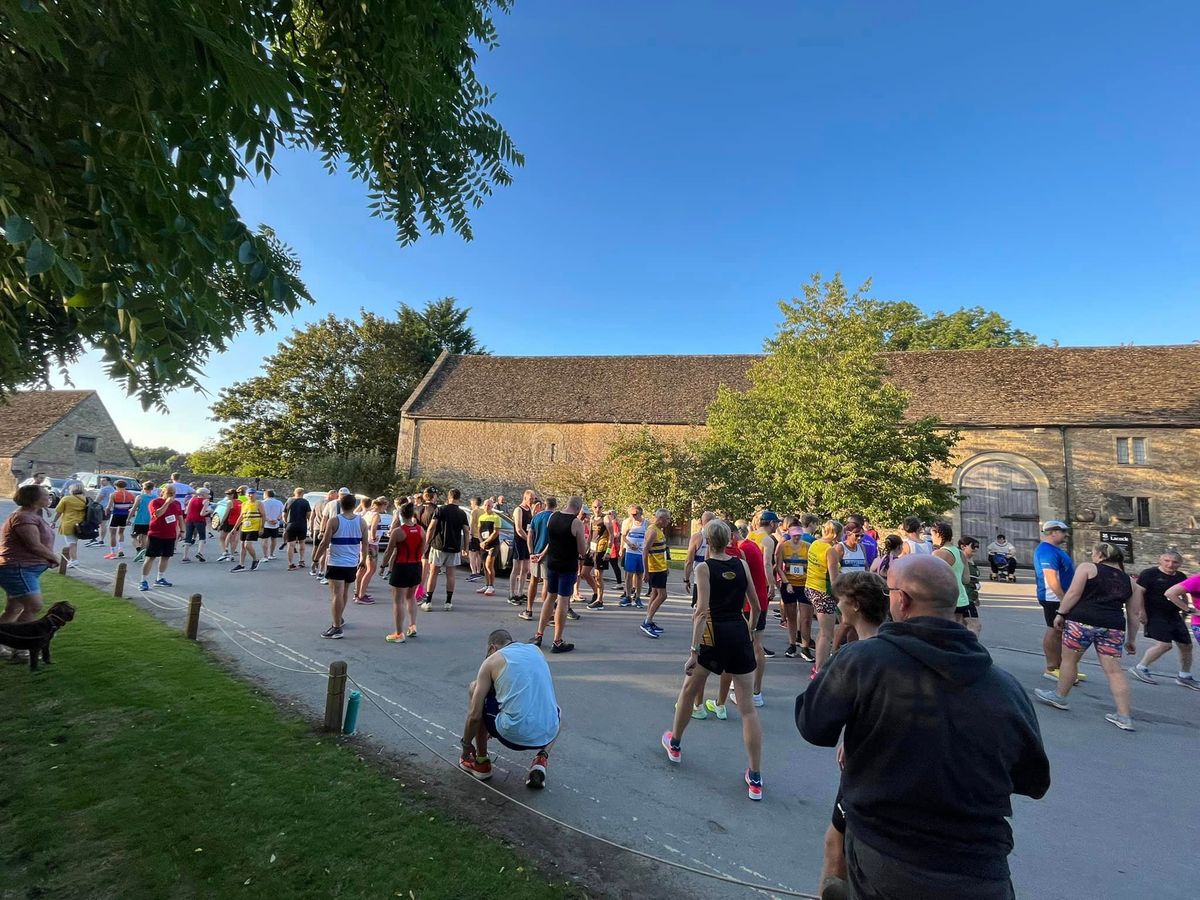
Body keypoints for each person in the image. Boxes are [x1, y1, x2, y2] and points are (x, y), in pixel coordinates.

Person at [796, 554, 1051, 900]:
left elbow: (813, 724)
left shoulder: (864, 660)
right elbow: (1032, 779)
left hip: (889, 855)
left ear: (901, 601)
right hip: (982, 868)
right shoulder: (1005, 687)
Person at [662, 518, 764, 800]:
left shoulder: (703, 568)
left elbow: (701, 611)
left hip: (712, 634)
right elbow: (754, 605)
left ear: (707, 541)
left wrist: (694, 650)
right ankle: (755, 777)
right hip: (738, 632)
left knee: (689, 689)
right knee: (747, 709)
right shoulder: (741, 565)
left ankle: (676, 743)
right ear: (730, 540)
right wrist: (751, 629)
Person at [817, 570, 889, 900]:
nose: (837, 605)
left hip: (870, 777)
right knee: (838, 840)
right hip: (872, 758)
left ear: (855, 606)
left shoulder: (859, 653)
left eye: (842, 600)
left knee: (839, 847)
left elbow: (814, 722)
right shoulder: (889, 642)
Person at [1034, 542, 1145, 730]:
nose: (1092, 556)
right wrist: (1132, 640)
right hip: (1113, 626)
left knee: (1070, 660)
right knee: (1114, 671)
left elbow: (1073, 594)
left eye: (1093, 553)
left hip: (1082, 621)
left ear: (1101, 555)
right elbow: (1134, 614)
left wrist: (1061, 613)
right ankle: (1124, 716)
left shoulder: (1088, 568)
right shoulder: (1131, 582)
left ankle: (1060, 696)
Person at [460, 628, 561, 788]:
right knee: (554, 710)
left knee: (475, 689)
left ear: (491, 648)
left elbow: (474, 717)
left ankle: (481, 762)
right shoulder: (535, 650)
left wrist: (466, 746)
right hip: (548, 733)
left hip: (513, 735)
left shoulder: (492, 661)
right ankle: (541, 760)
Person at [709, 525, 771, 712]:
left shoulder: (739, 551)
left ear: (732, 535)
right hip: (759, 600)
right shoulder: (751, 546)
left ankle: (743, 691)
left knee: (744, 647)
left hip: (747, 604)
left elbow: (734, 579)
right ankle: (756, 691)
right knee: (756, 646)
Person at [1129, 550, 1199, 689]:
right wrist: (1141, 611)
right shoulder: (1149, 574)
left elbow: (1184, 593)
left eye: (1175, 562)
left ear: (1180, 564)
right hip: (1154, 613)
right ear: (1160, 560)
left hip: (1174, 614)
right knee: (1165, 644)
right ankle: (1140, 667)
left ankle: (1184, 676)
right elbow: (1139, 593)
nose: (1170, 564)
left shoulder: (1180, 576)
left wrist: (1185, 608)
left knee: (1186, 646)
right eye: (1167, 561)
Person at [0, 484, 61, 629]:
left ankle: (7, 643)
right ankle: (19, 642)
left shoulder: (32, 515)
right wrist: (53, 557)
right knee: (34, 605)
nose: (48, 497)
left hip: (24, 569)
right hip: (18, 568)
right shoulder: (23, 517)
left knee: (13, 609)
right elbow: (34, 545)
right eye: (45, 495)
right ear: (34, 499)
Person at [530, 496, 586, 653]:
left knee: (550, 596)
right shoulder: (576, 523)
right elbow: (582, 550)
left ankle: (538, 634)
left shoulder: (553, 517)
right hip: (567, 565)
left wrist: (542, 554)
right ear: (578, 508)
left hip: (552, 563)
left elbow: (551, 541)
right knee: (563, 600)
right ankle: (557, 641)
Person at [314, 492, 369, 639]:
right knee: (344, 592)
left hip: (336, 562)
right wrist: (363, 559)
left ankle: (336, 627)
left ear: (340, 505)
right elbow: (365, 544)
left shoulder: (334, 521)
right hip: (352, 563)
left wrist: (315, 558)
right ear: (355, 505)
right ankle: (339, 618)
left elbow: (325, 543)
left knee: (336, 594)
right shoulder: (361, 522)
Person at [1034, 520, 1080, 683]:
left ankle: (1062, 668)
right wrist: (1063, 599)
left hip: (1058, 597)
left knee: (1059, 631)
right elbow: (1051, 578)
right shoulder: (1047, 551)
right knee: (1054, 630)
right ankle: (1051, 668)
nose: (1066, 534)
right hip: (1053, 598)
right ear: (1053, 532)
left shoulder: (1054, 550)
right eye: (1063, 531)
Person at [381, 502, 423, 642]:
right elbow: (423, 548)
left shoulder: (398, 531)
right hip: (416, 566)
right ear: (412, 515)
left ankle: (399, 633)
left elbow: (389, 550)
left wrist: (383, 565)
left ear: (400, 515)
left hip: (402, 566)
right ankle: (412, 626)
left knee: (398, 601)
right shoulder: (420, 530)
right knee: (411, 597)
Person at [422, 488, 470, 612]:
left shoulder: (440, 509)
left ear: (449, 497)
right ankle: (448, 602)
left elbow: (432, 527)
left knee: (433, 573)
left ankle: (428, 602)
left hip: (438, 545)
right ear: (459, 498)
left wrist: (426, 543)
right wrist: (466, 548)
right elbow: (466, 531)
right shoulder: (462, 513)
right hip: (454, 547)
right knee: (451, 575)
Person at [805, 521, 842, 675]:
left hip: (810, 587)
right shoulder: (830, 550)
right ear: (837, 533)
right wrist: (841, 597)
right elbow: (834, 579)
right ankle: (819, 671)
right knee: (827, 634)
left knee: (823, 630)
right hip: (823, 592)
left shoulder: (815, 543)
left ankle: (819, 665)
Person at [775, 518, 814, 661]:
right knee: (791, 617)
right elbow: (779, 566)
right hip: (789, 584)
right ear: (790, 534)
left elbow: (812, 566)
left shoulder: (808, 546)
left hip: (804, 584)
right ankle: (792, 644)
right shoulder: (783, 546)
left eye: (799, 534)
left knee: (806, 618)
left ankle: (805, 646)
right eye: (794, 534)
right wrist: (786, 582)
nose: (797, 537)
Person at [140, 484, 183, 591]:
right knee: (151, 557)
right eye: (169, 492)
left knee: (166, 557)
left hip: (170, 534)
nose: (172, 495)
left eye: (173, 493)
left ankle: (160, 578)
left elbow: (180, 517)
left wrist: (182, 530)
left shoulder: (177, 504)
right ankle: (143, 580)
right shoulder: (155, 502)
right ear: (163, 492)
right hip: (156, 534)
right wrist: (167, 503)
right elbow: (157, 514)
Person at [639, 508, 672, 637]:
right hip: (655, 568)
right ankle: (647, 622)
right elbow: (645, 551)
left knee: (655, 593)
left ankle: (649, 619)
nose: (669, 521)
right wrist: (646, 571)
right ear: (661, 519)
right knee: (663, 595)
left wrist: (666, 566)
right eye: (667, 519)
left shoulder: (659, 531)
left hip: (661, 567)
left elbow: (662, 550)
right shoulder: (652, 531)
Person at [931, 521, 971, 623]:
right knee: (956, 628)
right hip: (961, 599)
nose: (932, 538)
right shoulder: (961, 553)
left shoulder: (938, 553)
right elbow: (966, 580)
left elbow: (932, 579)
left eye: (932, 535)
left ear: (938, 535)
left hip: (945, 599)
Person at [519, 498, 553, 617]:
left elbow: (530, 535)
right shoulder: (554, 518)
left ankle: (529, 610)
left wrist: (531, 552)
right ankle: (547, 614)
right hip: (548, 555)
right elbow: (552, 540)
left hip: (535, 553)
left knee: (533, 581)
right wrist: (543, 554)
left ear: (544, 505)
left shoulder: (536, 517)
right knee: (546, 582)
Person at [355, 497, 386, 605]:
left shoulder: (367, 513)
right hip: (371, 544)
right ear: (381, 505)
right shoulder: (376, 515)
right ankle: (361, 595)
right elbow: (373, 528)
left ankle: (358, 592)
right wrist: (373, 537)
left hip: (364, 543)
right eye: (385, 506)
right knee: (371, 569)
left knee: (362, 568)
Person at [51, 483, 87, 568]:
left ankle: (74, 560)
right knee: (74, 542)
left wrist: (53, 522)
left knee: (71, 543)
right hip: (81, 524)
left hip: (69, 523)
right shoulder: (86, 499)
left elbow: (59, 511)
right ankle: (72, 559)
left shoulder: (66, 499)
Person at [510, 489, 535, 603]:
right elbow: (519, 529)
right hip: (519, 542)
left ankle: (520, 592)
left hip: (526, 543)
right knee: (516, 568)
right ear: (525, 498)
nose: (532, 501)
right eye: (530, 499)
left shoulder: (530, 509)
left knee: (525, 569)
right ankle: (512, 593)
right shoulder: (518, 510)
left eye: (533, 499)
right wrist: (528, 539)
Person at [230, 489, 264, 573]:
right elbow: (241, 516)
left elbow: (263, 515)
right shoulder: (244, 504)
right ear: (246, 495)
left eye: (252, 494)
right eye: (249, 494)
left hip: (254, 526)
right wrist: (235, 528)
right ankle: (241, 564)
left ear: (255, 495)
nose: (250, 495)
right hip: (245, 526)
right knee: (242, 545)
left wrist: (261, 527)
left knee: (247, 545)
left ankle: (255, 560)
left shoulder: (258, 503)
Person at [475, 499, 503, 599]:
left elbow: (496, 532)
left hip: (493, 544)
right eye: (486, 505)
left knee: (489, 565)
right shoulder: (481, 517)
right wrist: (481, 541)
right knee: (484, 566)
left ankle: (491, 585)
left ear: (492, 506)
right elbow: (479, 530)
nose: (487, 507)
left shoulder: (496, 517)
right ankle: (487, 585)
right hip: (483, 544)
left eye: (489, 505)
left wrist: (486, 542)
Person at [621, 505, 647, 608]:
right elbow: (623, 536)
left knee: (639, 575)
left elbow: (649, 535)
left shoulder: (646, 523)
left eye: (635, 514)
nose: (633, 516)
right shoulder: (628, 522)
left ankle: (638, 597)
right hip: (630, 552)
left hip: (641, 552)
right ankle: (628, 596)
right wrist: (628, 544)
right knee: (629, 575)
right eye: (631, 514)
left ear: (640, 513)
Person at [104, 479, 137, 559]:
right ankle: (121, 550)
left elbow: (109, 506)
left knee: (112, 534)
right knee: (121, 533)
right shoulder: (131, 494)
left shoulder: (113, 494)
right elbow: (134, 504)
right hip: (125, 515)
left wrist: (106, 511)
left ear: (116, 486)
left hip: (116, 514)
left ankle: (113, 552)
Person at [587, 505, 612, 609]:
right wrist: (586, 547)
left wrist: (608, 551)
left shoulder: (605, 518)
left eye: (600, 507)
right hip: (592, 549)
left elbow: (612, 535)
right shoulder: (592, 518)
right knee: (584, 573)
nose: (598, 509)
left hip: (601, 550)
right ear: (592, 508)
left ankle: (600, 600)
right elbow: (590, 534)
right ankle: (596, 592)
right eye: (595, 507)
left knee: (598, 576)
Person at [308, 489, 337, 577]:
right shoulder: (330, 505)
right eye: (336, 495)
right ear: (331, 495)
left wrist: (311, 528)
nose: (337, 497)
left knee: (316, 547)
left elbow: (312, 517)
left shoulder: (318, 503)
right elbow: (326, 518)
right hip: (324, 529)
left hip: (316, 528)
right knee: (324, 550)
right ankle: (320, 569)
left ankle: (313, 567)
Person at [283, 488, 312, 570]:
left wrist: (286, 522)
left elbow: (284, 514)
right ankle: (301, 560)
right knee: (302, 542)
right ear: (302, 493)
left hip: (291, 524)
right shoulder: (305, 502)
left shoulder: (289, 501)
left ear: (294, 493)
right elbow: (309, 515)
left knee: (290, 545)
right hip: (302, 525)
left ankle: (290, 564)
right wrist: (309, 524)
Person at [959, 536, 982, 635]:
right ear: (963, 546)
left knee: (962, 625)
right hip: (964, 598)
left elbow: (974, 581)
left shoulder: (972, 563)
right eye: (973, 546)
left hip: (970, 597)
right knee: (974, 625)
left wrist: (976, 597)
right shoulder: (960, 562)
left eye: (977, 547)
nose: (975, 549)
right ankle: (972, 648)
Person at [180, 487, 211, 563]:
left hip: (189, 519)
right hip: (199, 520)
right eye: (207, 494)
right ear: (203, 494)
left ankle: (185, 556)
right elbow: (202, 514)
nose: (209, 495)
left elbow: (186, 511)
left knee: (188, 537)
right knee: (202, 536)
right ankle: (200, 552)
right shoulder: (205, 501)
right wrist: (209, 511)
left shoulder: (192, 499)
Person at [215, 488, 241, 562]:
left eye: (228, 494)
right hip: (236, 522)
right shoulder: (240, 502)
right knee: (233, 539)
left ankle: (224, 552)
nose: (227, 496)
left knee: (222, 538)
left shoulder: (230, 502)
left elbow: (226, 513)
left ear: (232, 495)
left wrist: (221, 522)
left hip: (229, 521)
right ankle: (232, 555)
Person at [259, 489, 285, 561]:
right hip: (276, 524)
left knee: (265, 540)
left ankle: (265, 556)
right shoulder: (279, 502)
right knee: (274, 539)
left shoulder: (262, 503)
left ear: (266, 495)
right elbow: (282, 513)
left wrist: (268, 520)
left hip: (265, 524)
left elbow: (261, 513)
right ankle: (271, 554)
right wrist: (277, 519)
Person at [91, 476, 115, 548]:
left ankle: (97, 539)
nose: (102, 482)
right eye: (101, 480)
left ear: (108, 481)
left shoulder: (105, 489)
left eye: (104, 480)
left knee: (98, 523)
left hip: (101, 508)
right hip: (108, 508)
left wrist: (93, 505)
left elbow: (99, 498)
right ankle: (100, 539)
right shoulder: (112, 488)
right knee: (103, 524)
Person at [466, 495, 484, 582]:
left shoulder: (474, 512)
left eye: (471, 503)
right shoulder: (483, 511)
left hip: (474, 535)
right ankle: (478, 571)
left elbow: (472, 524)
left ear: (474, 502)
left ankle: (473, 573)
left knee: (472, 555)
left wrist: (470, 534)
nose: (471, 505)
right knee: (478, 555)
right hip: (481, 536)